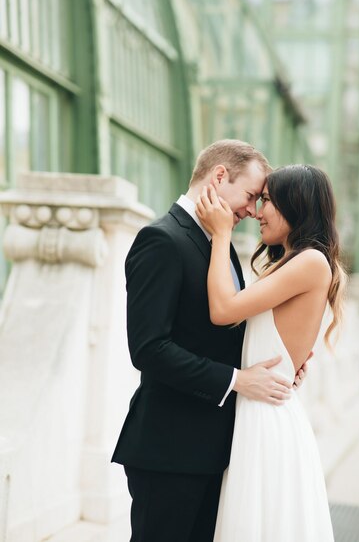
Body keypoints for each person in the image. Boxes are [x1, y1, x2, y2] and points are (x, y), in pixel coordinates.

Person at [111, 140, 309, 542]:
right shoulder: (161, 240)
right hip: (169, 451)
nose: (252, 211)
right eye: (251, 196)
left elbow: (229, 329)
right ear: (220, 176)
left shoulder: (219, 242)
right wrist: (237, 380)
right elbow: (148, 349)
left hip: (213, 450)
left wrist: (285, 361)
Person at [196, 164, 347, 542]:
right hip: (258, 408)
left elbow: (223, 309)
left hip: (268, 417)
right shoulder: (292, 262)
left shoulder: (310, 262)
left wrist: (221, 233)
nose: (258, 212)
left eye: (267, 201)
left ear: (295, 206)